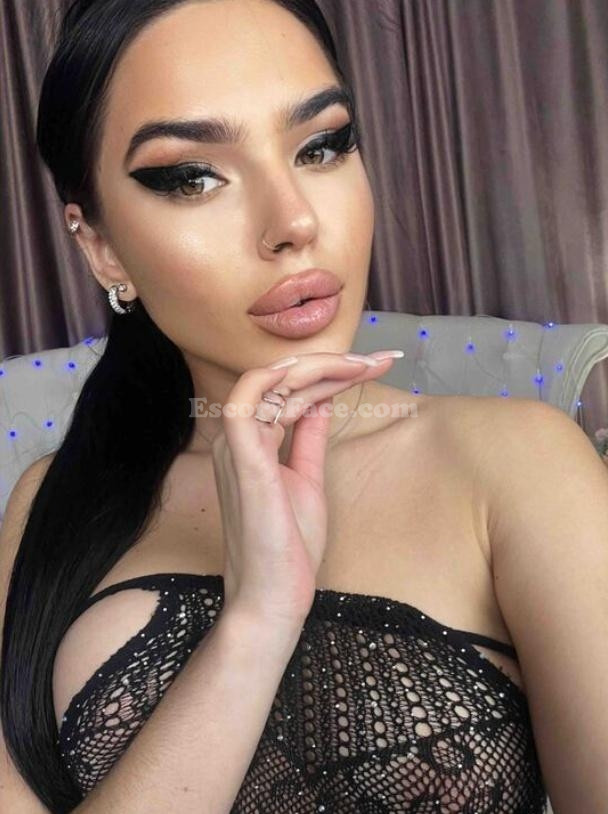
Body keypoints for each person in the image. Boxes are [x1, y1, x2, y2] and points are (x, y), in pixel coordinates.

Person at [1, 0, 607, 812]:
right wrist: (255, 624)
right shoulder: (51, 504)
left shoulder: (523, 464)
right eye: (193, 177)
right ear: (102, 246)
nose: (293, 221)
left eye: (321, 146)